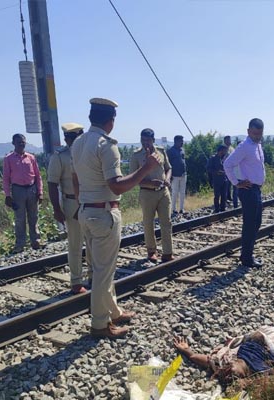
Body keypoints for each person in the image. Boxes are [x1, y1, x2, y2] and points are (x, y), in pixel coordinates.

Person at [71, 98, 161, 339]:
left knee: (101, 267)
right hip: (104, 213)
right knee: (103, 272)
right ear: (111, 121)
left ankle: (113, 311)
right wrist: (146, 168)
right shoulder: (107, 145)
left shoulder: (78, 143)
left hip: (86, 211)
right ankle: (100, 324)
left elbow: (76, 178)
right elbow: (117, 185)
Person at [173, 304, 274, 382]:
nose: (230, 374)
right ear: (243, 376)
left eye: (227, 372)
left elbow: (204, 359)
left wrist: (187, 350)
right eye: (232, 377)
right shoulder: (259, 370)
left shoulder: (228, 359)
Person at [47, 123, 91, 294]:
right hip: (72, 202)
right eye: (69, 137)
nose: (70, 140)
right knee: (75, 244)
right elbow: (52, 184)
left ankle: (93, 276)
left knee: (93, 241)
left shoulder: (88, 152)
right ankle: (76, 281)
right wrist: (57, 209)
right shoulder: (60, 157)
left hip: (91, 200)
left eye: (74, 137)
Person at [223, 118, 265, 268]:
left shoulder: (258, 145)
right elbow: (227, 164)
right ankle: (246, 258)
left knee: (256, 223)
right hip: (248, 190)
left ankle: (247, 254)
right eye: (254, 134)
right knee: (250, 224)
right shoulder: (244, 147)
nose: (257, 136)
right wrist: (236, 183)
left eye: (259, 134)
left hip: (256, 190)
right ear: (248, 131)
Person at [129, 129, 174, 263]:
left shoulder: (161, 151)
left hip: (163, 192)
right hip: (147, 193)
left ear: (153, 140)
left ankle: (167, 253)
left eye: (148, 140)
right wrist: (149, 183)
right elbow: (132, 178)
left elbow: (168, 168)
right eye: (143, 140)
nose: (145, 143)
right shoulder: (136, 155)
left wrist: (167, 179)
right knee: (148, 223)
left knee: (166, 222)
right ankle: (151, 251)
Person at [3, 133, 44, 253]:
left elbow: (38, 176)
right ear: (13, 143)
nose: (21, 144)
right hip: (18, 190)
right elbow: (6, 178)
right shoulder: (8, 158)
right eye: (19, 142)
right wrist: (7, 195)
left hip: (32, 189)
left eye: (23, 142)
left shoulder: (31, 157)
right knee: (20, 219)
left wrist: (40, 191)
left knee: (34, 217)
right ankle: (20, 244)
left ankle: (36, 241)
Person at [167, 135, 187, 215]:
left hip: (183, 174)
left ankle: (182, 208)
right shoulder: (170, 151)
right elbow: (168, 164)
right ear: (176, 141)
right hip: (174, 175)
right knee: (175, 192)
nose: (182, 142)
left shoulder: (182, 150)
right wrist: (169, 176)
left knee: (182, 192)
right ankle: (174, 209)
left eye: (182, 141)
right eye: (181, 141)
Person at [207, 144, 229, 213]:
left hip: (224, 179)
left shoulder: (224, 158)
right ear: (220, 150)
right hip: (216, 180)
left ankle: (223, 208)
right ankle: (216, 209)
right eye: (224, 151)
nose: (225, 152)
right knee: (217, 195)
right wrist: (216, 172)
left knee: (224, 195)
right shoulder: (213, 158)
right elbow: (208, 169)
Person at [223, 136, 238, 208]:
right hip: (226, 171)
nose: (229, 141)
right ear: (225, 141)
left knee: (233, 185)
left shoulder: (232, 148)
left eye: (229, 140)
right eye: (228, 140)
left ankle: (232, 200)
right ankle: (225, 201)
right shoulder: (223, 149)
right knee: (226, 187)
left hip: (234, 170)